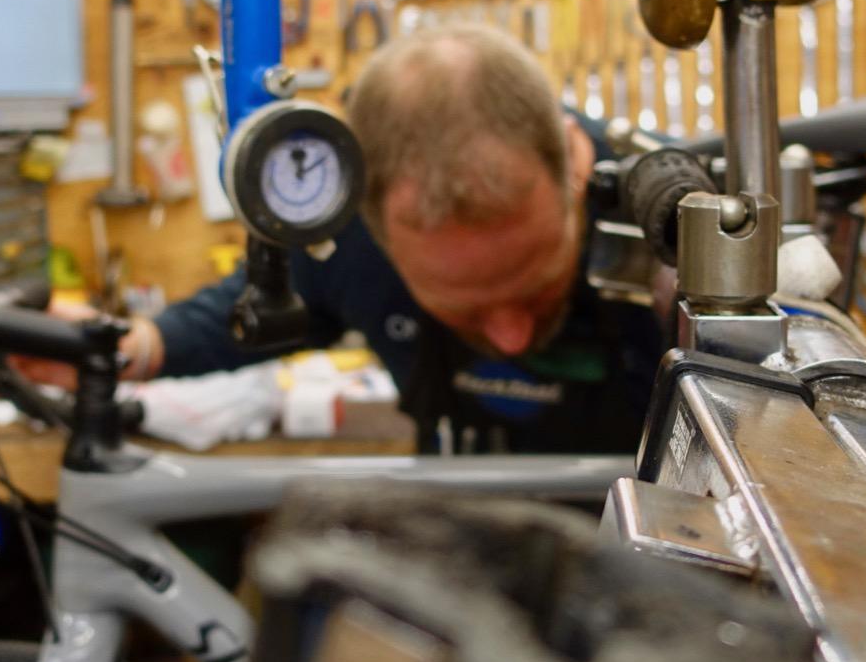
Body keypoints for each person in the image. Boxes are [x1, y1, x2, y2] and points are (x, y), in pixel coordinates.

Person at [57, 25, 668, 455]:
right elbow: (252, 310)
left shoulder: (664, 212)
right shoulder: (349, 234)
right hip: (469, 542)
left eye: (535, 286)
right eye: (465, 307)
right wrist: (132, 348)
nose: (510, 337)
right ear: (364, 215)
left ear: (575, 164)